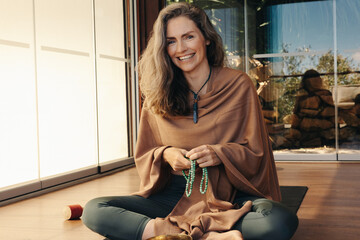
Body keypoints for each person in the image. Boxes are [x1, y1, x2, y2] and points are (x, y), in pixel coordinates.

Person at [82, 3, 298, 240]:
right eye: (171, 41)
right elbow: (145, 153)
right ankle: (191, 233)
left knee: (279, 221)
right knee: (94, 210)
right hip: (173, 195)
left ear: (206, 38)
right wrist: (166, 154)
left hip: (228, 196)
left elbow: (257, 153)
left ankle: (176, 233)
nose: (181, 48)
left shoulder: (239, 84)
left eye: (188, 37)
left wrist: (220, 154)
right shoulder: (157, 93)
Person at [289, 69, 335, 148]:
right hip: (307, 134)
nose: (317, 82)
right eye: (314, 79)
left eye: (318, 79)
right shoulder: (302, 95)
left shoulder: (325, 94)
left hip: (324, 134)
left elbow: (332, 114)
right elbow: (296, 116)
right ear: (307, 82)